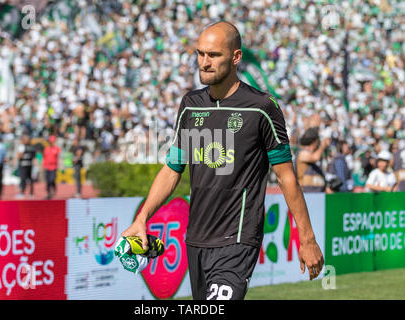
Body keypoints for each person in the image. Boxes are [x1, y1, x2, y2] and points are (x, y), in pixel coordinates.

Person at [121, 22, 324, 300]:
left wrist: (308, 238)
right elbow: (172, 169)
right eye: (200, 54)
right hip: (196, 240)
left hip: (237, 241)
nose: (204, 62)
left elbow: (286, 177)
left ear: (236, 57)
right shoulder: (190, 104)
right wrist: (142, 217)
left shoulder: (262, 107)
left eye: (213, 55)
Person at [295, 127, 330, 193]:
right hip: (306, 194)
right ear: (315, 141)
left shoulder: (315, 153)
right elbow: (315, 158)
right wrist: (322, 146)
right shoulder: (302, 153)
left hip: (318, 193)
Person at [16, 134, 36, 199]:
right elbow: (34, 156)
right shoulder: (32, 147)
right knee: (30, 179)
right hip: (30, 164)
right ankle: (31, 193)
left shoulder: (22, 146)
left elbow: (19, 156)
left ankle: (22, 193)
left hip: (23, 164)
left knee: (23, 179)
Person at [43, 135, 60, 199]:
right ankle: (48, 193)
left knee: (52, 179)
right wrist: (43, 165)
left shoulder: (57, 149)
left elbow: (59, 157)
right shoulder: (46, 149)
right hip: (47, 167)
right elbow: (44, 157)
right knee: (47, 181)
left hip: (53, 167)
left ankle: (54, 188)